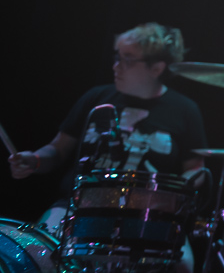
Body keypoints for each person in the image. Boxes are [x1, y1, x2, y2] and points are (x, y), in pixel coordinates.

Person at [8, 22, 208, 273]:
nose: (116, 66)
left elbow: (196, 170)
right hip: (78, 207)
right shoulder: (96, 97)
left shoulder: (184, 110)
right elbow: (57, 150)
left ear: (157, 68)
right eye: (117, 57)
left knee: (183, 266)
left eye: (128, 59)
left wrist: (171, 193)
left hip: (143, 215)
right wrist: (34, 160)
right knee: (37, 254)